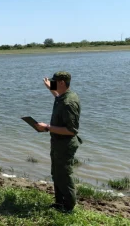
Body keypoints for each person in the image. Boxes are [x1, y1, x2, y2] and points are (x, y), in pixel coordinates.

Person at [36, 71, 81, 213]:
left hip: (65, 145)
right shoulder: (63, 96)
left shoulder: (69, 102)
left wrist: (47, 127)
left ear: (62, 82)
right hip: (58, 143)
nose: (52, 83)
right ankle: (59, 203)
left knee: (64, 175)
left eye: (54, 81)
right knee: (56, 173)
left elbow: (71, 130)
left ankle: (69, 208)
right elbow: (58, 96)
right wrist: (50, 87)